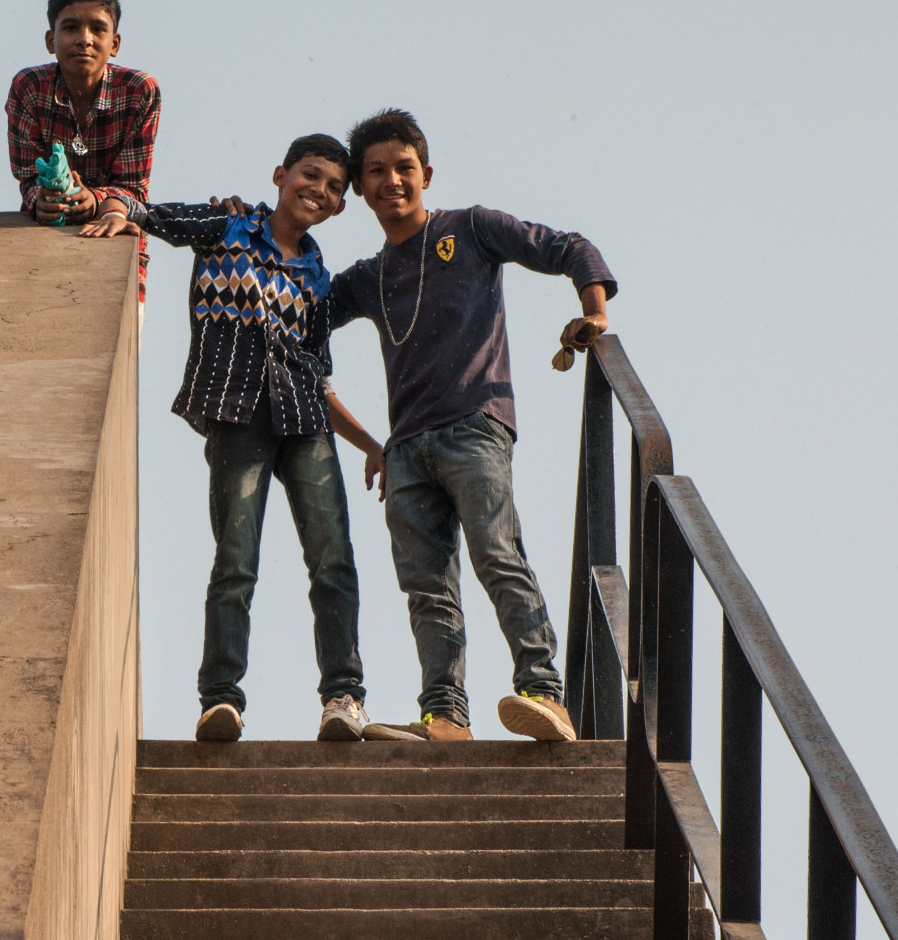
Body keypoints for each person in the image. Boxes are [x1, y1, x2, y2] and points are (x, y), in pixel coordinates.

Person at [328, 108, 616, 743]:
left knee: (495, 554)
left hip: (475, 426)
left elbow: (568, 247)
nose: (391, 181)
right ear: (358, 187)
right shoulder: (366, 278)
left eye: (403, 168)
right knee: (426, 588)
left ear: (426, 173)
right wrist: (368, 440)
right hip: (404, 450)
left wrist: (592, 313)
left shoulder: (473, 229)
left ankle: (545, 694)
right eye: (374, 172)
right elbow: (296, 319)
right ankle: (444, 716)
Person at [82, 135, 374, 743]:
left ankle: (343, 697)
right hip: (239, 418)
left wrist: (370, 443)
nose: (317, 190)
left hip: (306, 427)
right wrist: (117, 212)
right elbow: (154, 214)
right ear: (280, 174)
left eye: (332, 188)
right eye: (309, 175)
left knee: (333, 562)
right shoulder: (228, 226)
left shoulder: (318, 278)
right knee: (236, 562)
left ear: (340, 206)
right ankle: (221, 699)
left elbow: (317, 376)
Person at [5, 0, 160, 306]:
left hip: (115, 236)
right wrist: (41, 201)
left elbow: (133, 188)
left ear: (114, 43)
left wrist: (93, 197)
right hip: (44, 247)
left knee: (113, 347)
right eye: (71, 27)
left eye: (98, 29)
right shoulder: (29, 88)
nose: (84, 39)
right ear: (51, 40)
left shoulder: (139, 93)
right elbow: (28, 178)